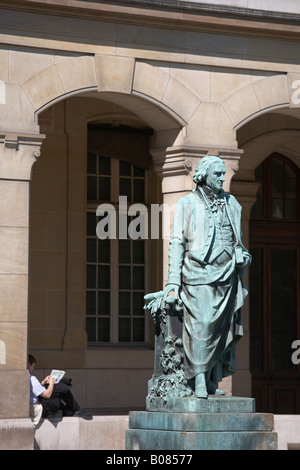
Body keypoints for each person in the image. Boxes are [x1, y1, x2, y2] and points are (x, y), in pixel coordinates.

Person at [163, 156, 251, 398]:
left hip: (227, 275)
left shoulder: (232, 203)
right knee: (201, 326)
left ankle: (211, 380)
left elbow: (238, 242)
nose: (223, 178)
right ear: (203, 175)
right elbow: (177, 242)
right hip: (198, 273)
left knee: (222, 330)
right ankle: (198, 379)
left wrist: (242, 256)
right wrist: (172, 281)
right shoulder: (187, 203)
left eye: (224, 173)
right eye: (218, 174)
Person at [28, 354, 92, 424]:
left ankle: (69, 410)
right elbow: (47, 395)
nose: (33, 368)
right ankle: (76, 409)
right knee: (60, 387)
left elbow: (34, 391)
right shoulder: (31, 378)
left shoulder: (27, 377)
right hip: (40, 410)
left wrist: (43, 382)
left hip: (36, 407)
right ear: (28, 365)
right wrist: (51, 383)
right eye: (33, 366)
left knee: (59, 388)